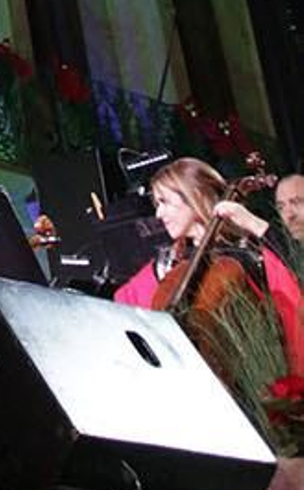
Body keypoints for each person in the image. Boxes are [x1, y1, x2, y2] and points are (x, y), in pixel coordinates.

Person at [113, 156, 304, 380]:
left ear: (195, 196)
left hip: (254, 377)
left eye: (164, 202)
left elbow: (296, 267)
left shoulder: (244, 253)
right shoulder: (172, 266)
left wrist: (252, 223)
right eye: (157, 204)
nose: (159, 214)